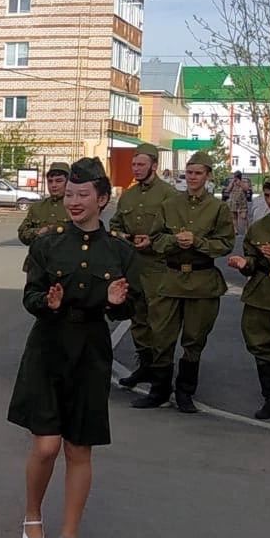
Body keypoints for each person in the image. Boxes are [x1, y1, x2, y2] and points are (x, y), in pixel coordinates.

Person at [9, 158, 138, 538]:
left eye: (83, 195)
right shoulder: (47, 245)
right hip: (49, 347)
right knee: (45, 446)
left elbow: (131, 306)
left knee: (79, 448)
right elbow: (30, 297)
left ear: (103, 199)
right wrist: (46, 303)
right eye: (69, 195)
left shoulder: (118, 249)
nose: (75, 201)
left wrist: (119, 303)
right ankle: (32, 514)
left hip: (91, 351)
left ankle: (70, 533)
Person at [132, 151, 235, 413]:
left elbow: (225, 244)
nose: (192, 178)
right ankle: (159, 390)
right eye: (189, 173)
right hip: (171, 277)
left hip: (201, 281)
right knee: (162, 335)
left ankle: (186, 392)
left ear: (208, 176)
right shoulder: (170, 205)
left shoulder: (218, 208)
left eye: (198, 173)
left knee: (194, 339)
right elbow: (156, 239)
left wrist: (198, 242)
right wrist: (174, 241)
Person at [227, 171, 270, 419]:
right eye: (267, 195)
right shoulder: (259, 227)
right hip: (261, 295)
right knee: (260, 347)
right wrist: (243, 263)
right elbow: (253, 260)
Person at [109, 144, 177, 389]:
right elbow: (115, 226)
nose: (136, 169)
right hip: (133, 266)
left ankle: (161, 381)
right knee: (137, 320)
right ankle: (145, 368)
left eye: (141, 165)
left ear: (154, 166)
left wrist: (153, 241)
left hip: (159, 267)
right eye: (134, 165)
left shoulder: (169, 195)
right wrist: (124, 237)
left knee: (160, 324)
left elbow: (175, 233)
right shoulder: (128, 195)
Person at [16, 161, 70, 271]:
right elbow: (22, 233)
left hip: (66, 266)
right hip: (37, 266)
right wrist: (38, 232)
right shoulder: (37, 207)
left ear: (68, 182)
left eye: (59, 181)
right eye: (50, 181)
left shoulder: (74, 206)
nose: (53, 185)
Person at [225, 169, 253, 236]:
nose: (235, 178)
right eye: (235, 176)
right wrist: (232, 183)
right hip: (233, 201)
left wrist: (240, 183)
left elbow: (246, 189)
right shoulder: (232, 182)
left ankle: (246, 230)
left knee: (244, 217)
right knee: (234, 216)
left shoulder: (243, 182)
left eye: (236, 176)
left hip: (242, 202)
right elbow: (228, 190)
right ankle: (235, 230)